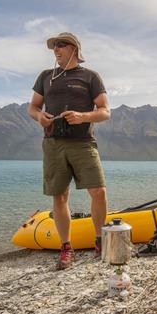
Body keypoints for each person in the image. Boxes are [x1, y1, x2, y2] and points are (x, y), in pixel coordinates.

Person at [28, 32, 110, 270]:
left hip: (83, 143)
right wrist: (39, 117)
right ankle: (66, 248)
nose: (56, 49)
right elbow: (33, 107)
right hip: (53, 145)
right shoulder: (45, 77)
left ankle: (100, 241)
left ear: (74, 48)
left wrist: (82, 116)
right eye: (54, 46)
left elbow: (105, 111)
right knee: (60, 196)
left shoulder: (90, 76)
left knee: (98, 191)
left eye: (61, 45)